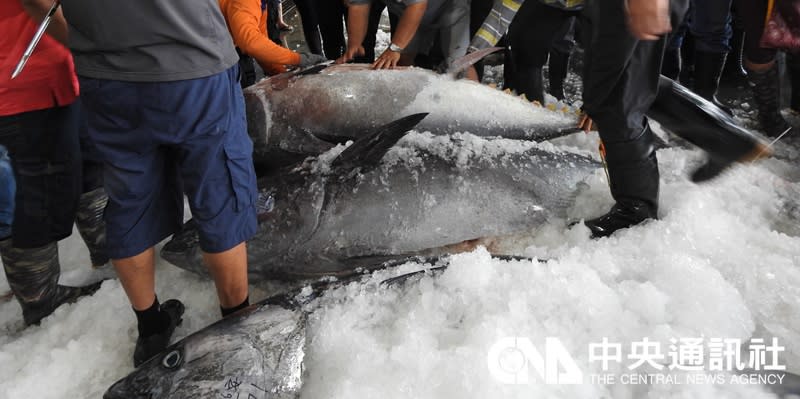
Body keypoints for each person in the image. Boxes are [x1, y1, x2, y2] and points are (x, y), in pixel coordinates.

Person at [23, 0, 262, 367]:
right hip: (195, 65)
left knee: (130, 199)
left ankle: (150, 328)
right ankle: (237, 322)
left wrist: (86, 41)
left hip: (107, 79)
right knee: (221, 193)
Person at [1, 0, 103, 326]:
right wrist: (98, 45)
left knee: (89, 165)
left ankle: (107, 247)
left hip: (60, 74)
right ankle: (40, 299)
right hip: (24, 86)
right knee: (41, 195)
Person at [338, 0, 475, 78]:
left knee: (459, 65)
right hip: (412, 14)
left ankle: (485, 113)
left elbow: (418, 5)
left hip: (450, 12)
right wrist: (355, 44)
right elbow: (359, 5)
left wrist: (395, 48)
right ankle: (413, 109)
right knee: (402, 62)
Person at [218, 0, 327, 88]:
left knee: (248, 79)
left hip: (231, 46)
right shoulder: (247, 2)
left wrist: (282, 73)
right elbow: (250, 43)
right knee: (242, 86)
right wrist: (298, 59)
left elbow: (261, 41)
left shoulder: (262, 5)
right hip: (217, 57)